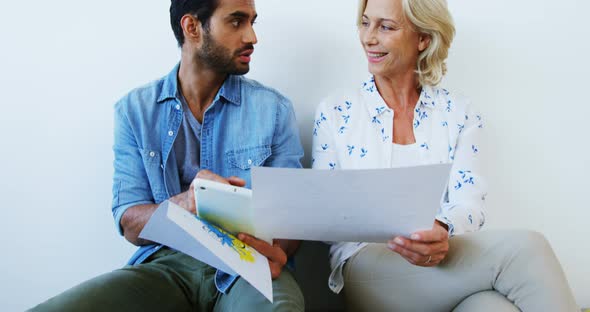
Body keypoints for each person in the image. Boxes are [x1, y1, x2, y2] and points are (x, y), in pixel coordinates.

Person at [30, 0, 305, 311]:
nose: (252, 36)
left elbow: (289, 217)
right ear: (192, 28)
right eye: (236, 22)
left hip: (248, 266)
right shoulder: (134, 111)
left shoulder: (274, 110)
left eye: (253, 22)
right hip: (165, 265)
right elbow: (129, 219)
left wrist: (277, 248)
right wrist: (187, 203)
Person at [311, 0, 579, 311]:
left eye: (385, 27)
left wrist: (441, 228)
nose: (368, 37)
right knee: (528, 248)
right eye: (366, 22)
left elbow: (470, 204)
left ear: (423, 38)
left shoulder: (458, 112)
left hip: (444, 259)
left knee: (492, 308)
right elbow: (323, 212)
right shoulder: (335, 111)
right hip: (366, 265)